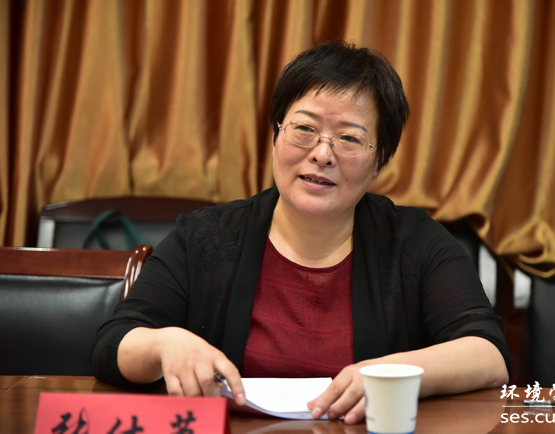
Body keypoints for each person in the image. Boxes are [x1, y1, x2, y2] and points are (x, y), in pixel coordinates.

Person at [92, 40, 510, 425]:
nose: (322, 154)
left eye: (349, 138)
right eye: (305, 129)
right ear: (276, 134)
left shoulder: (415, 242)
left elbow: (488, 355)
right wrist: (166, 345)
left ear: (379, 160)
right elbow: (115, 342)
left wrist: (391, 374)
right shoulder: (204, 237)